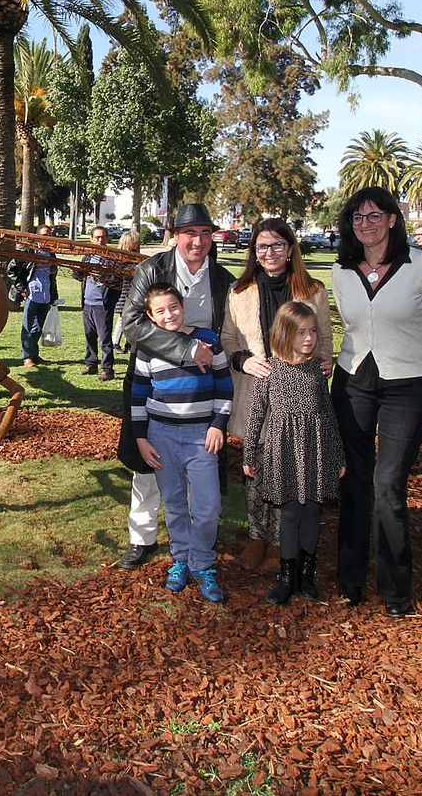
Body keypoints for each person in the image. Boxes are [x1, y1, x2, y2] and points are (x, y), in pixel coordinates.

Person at [330, 187, 422, 618]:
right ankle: (349, 580)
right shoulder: (342, 270)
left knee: (389, 486)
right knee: (354, 482)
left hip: (409, 385)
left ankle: (396, 588)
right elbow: (348, 324)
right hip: (355, 381)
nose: (366, 224)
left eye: (375, 215)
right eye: (358, 217)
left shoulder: (421, 266)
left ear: (393, 220)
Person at [116, 203, 234, 570]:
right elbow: (132, 323)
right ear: (175, 235)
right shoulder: (152, 269)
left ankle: (196, 541)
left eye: (204, 233)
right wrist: (185, 348)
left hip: (201, 386)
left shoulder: (223, 278)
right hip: (154, 376)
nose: (197, 242)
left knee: (197, 464)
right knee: (148, 460)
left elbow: (231, 329)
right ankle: (142, 536)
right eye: (189, 233)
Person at [222, 217, 333, 571]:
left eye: (277, 246)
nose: (269, 253)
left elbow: (325, 341)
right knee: (255, 466)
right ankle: (257, 536)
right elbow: (227, 340)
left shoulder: (312, 291)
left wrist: (325, 363)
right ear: (253, 252)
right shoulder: (240, 292)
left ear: (290, 250)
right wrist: (242, 360)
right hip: (257, 389)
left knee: (290, 466)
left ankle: (280, 542)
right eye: (262, 247)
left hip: (297, 395)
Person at [129, 283, 233, 603]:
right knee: (173, 502)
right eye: (160, 311)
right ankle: (181, 559)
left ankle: (203, 562)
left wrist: (218, 425)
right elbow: (137, 396)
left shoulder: (207, 340)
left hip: (201, 436)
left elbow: (225, 387)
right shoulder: (149, 348)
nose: (169, 314)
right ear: (150, 316)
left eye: (173, 307)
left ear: (183, 306)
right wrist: (141, 439)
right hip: (162, 436)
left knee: (207, 507)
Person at [241, 300, 342, 604]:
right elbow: (256, 414)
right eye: (301, 333)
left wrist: (338, 455)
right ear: (284, 335)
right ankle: (285, 577)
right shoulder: (271, 371)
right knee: (289, 513)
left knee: (312, 510)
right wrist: (248, 455)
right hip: (282, 450)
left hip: (315, 449)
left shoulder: (316, 371)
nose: (309, 338)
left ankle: (306, 576)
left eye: (312, 331)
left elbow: (327, 411)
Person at [10, 225, 59, 368]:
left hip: (45, 294)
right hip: (31, 294)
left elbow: (52, 276)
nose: (46, 237)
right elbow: (12, 269)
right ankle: (27, 357)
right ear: (37, 236)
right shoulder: (28, 250)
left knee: (38, 327)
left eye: (49, 234)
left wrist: (53, 295)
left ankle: (34, 354)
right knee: (28, 325)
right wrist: (22, 288)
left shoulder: (51, 253)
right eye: (43, 234)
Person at [80, 225, 122, 380]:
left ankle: (107, 369)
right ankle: (91, 364)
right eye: (97, 237)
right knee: (89, 335)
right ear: (92, 239)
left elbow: (117, 279)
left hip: (102, 304)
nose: (100, 240)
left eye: (103, 237)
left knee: (104, 337)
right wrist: (82, 270)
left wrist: (100, 275)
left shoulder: (113, 257)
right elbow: (78, 276)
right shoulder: (88, 256)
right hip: (88, 301)